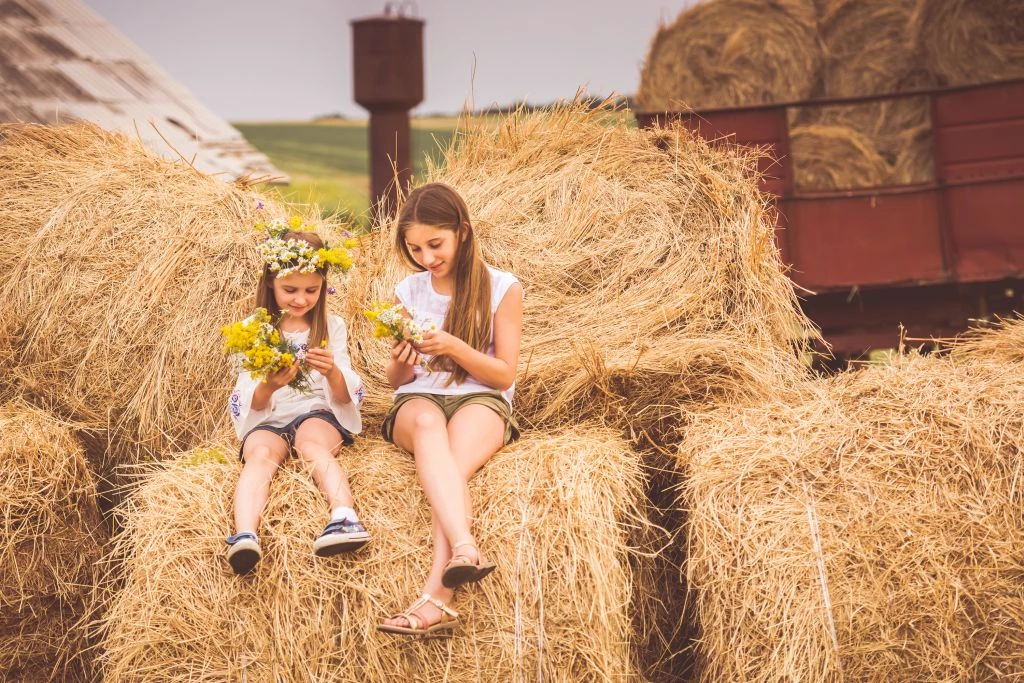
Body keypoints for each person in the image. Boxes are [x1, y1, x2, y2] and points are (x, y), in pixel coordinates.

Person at [376, 183, 523, 636]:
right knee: (426, 423)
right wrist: (400, 363)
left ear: (462, 232)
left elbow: (503, 376)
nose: (425, 257)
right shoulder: (408, 289)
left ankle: (436, 597)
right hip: (418, 398)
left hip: (480, 396)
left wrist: (456, 346)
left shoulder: (502, 288)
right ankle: (464, 547)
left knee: (451, 466)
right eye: (415, 248)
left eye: (435, 244)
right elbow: (395, 381)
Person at [225, 224, 368, 575]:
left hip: (316, 412)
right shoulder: (253, 329)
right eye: (290, 289)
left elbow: (342, 392)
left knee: (309, 443)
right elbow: (250, 399)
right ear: (271, 282)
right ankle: (245, 534)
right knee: (259, 453)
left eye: (311, 290)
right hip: (270, 417)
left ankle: (345, 516)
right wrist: (270, 386)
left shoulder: (330, 327)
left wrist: (332, 372)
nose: (301, 299)